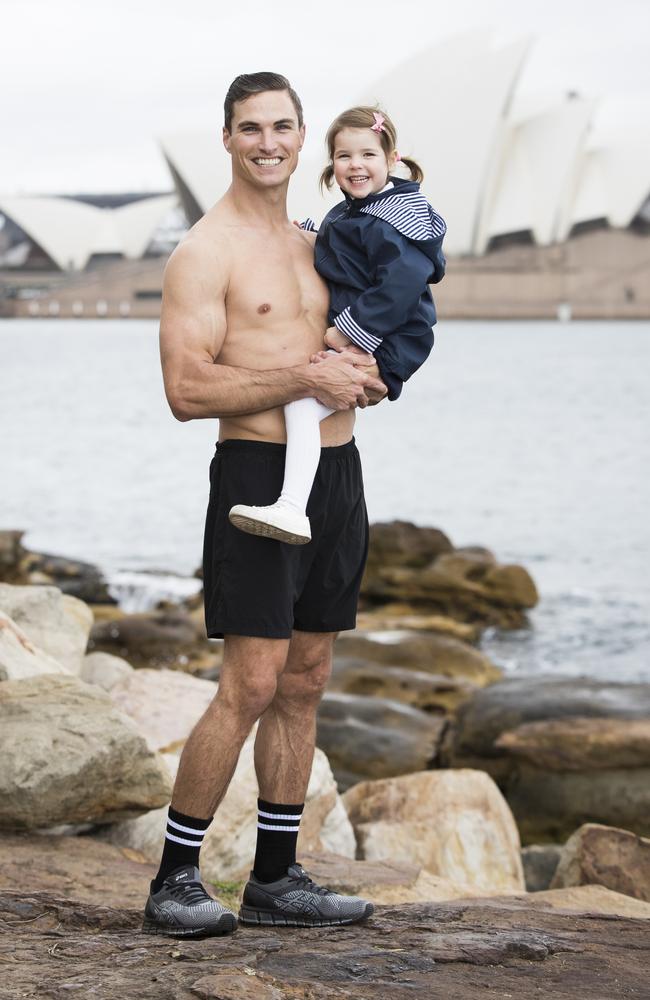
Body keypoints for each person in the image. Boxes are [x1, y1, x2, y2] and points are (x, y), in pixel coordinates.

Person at [143, 72, 387, 939]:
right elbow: (184, 387)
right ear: (227, 138)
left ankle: (278, 881)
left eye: (284, 126)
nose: (270, 142)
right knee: (249, 683)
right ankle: (174, 879)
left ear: (301, 133)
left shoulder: (317, 238)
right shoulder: (206, 252)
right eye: (252, 128)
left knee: (306, 679)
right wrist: (302, 377)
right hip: (255, 471)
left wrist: (369, 376)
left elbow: (348, 339)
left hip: (337, 471)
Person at [228, 105, 446, 545]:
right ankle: (293, 507)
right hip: (387, 338)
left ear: (391, 159)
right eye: (344, 156)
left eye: (368, 155)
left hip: (392, 338)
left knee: (301, 406)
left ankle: (292, 508)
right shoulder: (360, 212)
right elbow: (346, 255)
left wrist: (349, 333)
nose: (356, 165)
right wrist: (303, 231)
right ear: (333, 165)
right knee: (304, 405)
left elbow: (401, 285)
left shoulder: (393, 219)